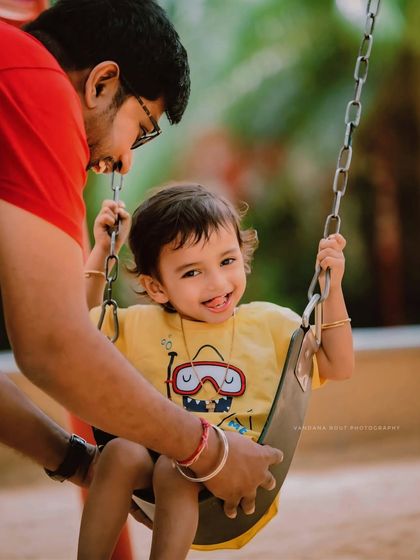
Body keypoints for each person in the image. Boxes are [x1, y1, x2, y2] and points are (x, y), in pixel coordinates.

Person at [0, 0, 282, 519]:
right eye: (144, 127)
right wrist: (209, 450)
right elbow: (51, 345)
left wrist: (80, 462)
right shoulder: (37, 84)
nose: (128, 157)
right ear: (103, 82)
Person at [77, 184, 354, 559]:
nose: (218, 283)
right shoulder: (138, 326)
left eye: (227, 261)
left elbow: (338, 365)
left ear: (243, 256)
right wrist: (101, 252)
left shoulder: (271, 325)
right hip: (157, 477)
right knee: (118, 453)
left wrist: (331, 288)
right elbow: (78, 336)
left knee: (179, 467)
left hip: (239, 479)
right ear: (156, 287)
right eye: (192, 272)